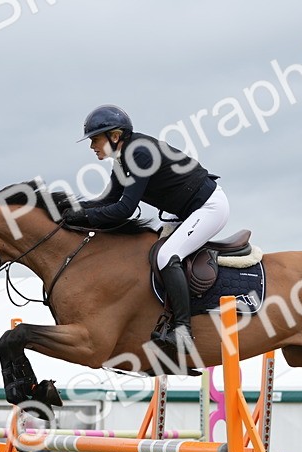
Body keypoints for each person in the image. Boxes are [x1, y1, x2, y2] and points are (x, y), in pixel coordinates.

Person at [61, 104, 230, 358]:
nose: (92, 146)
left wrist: (84, 216)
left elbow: (124, 209)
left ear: (115, 136)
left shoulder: (140, 153)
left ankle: (183, 331)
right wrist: (70, 208)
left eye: (95, 139)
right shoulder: (122, 158)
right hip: (188, 212)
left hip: (209, 207)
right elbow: (108, 200)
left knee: (166, 256)